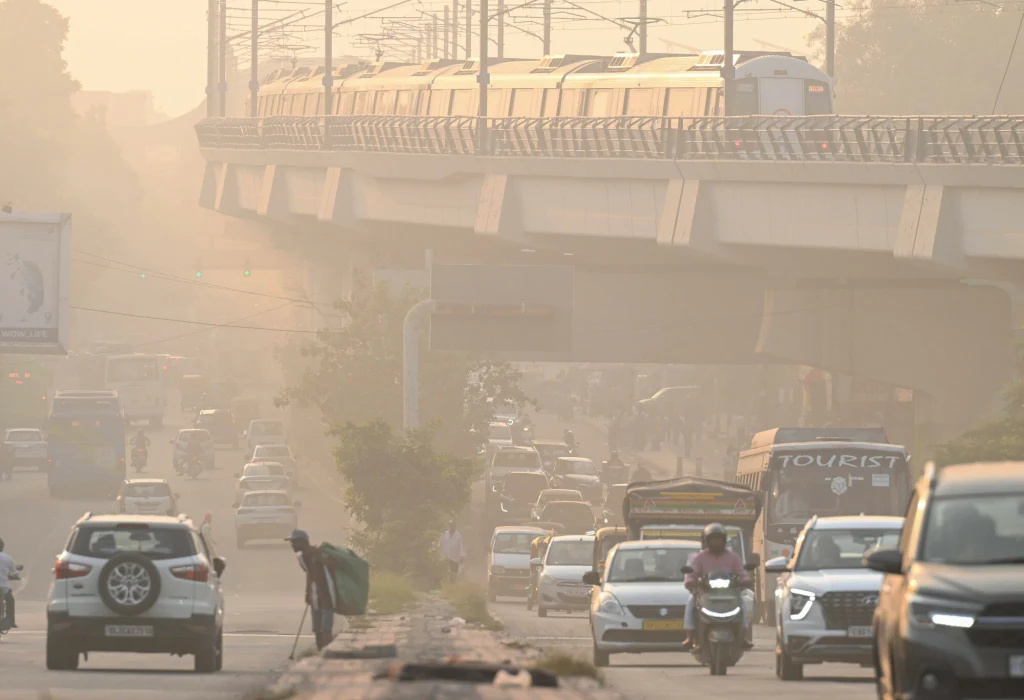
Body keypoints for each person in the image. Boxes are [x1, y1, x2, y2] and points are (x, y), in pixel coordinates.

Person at [681, 523, 752, 650]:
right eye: (713, 539)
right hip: (705, 592)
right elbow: (692, 573)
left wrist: (745, 580)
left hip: (729, 592)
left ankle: (743, 636)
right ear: (707, 541)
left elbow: (741, 572)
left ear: (724, 540)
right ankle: (690, 636)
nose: (716, 542)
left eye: (719, 539)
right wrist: (691, 582)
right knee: (691, 603)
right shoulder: (700, 557)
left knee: (742, 604)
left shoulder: (733, 557)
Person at [286, 529, 335, 650]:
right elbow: (309, 574)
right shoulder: (303, 557)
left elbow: (331, 567)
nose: (292, 545)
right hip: (315, 596)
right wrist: (308, 592)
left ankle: (327, 654)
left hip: (327, 595)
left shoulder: (317, 554)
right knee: (317, 630)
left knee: (326, 630)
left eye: (294, 542)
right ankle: (321, 654)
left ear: (302, 542)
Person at [0, 537, 17, 630]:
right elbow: (15, 572)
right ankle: (11, 620)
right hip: (3, 588)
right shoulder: (7, 558)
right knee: (10, 601)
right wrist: (13, 576)